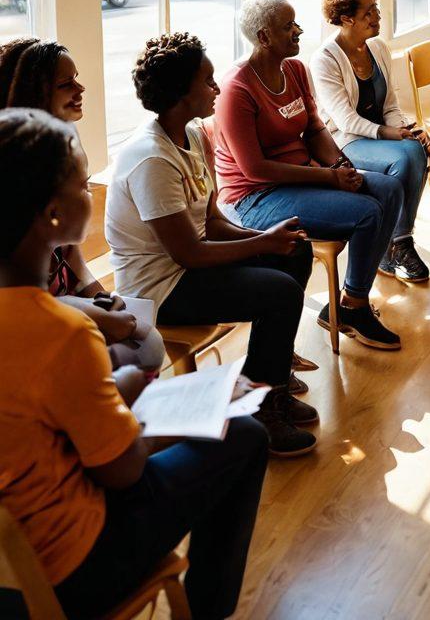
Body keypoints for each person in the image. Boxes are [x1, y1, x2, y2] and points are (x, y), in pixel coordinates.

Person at [0, 107, 268, 620]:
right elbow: (121, 471)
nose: (93, 194)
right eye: (83, 185)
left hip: (10, 569)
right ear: (53, 215)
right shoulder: (59, 331)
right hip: (72, 566)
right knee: (246, 434)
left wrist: (121, 389)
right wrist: (199, 412)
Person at [106, 32, 318, 458]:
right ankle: (258, 407)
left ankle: (269, 380)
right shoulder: (151, 159)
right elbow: (190, 253)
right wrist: (263, 243)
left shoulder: (193, 134)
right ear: (181, 94)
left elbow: (213, 221)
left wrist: (268, 240)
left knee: (295, 250)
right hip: (160, 289)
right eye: (207, 81)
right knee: (280, 293)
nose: (216, 88)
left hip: (190, 266)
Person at [215, 0, 403, 351]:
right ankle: (356, 306)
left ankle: (349, 303)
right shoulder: (237, 89)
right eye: (289, 26)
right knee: (368, 212)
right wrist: (329, 178)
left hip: (302, 176)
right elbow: (254, 170)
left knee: (387, 189)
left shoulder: (295, 69)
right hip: (255, 197)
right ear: (264, 37)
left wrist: (342, 167)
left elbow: (314, 128)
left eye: (296, 22)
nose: (298, 31)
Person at [0, 36, 164, 370]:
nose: (81, 88)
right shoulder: (13, 165)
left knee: (145, 341)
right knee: (135, 349)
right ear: (35, 94)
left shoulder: (68, 139)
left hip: (60, 295)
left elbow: (70, 251)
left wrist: (96, 294)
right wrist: (95, 316)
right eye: (66, 84)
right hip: (26, 306)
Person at [311, 0, 430, 283]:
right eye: (369, 11)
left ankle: (395, 244)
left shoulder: (377, 48)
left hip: (379, 137)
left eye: (376, 7)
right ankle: (399, 245)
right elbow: (345, 121)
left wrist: (405, 130)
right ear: (347, 18)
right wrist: (394, 135)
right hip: (345, 142)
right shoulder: (325, 59)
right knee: (406, 156)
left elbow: (390, 104)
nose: (378, 16)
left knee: (414, 148)